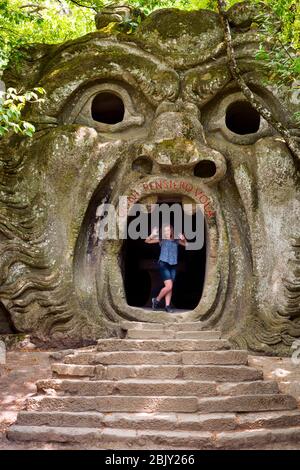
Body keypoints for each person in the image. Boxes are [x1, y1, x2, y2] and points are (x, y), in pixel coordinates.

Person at [145, 224, 187, 313]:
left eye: (168, 230)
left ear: (172, 231)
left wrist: (184, 239)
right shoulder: (161, 240)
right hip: (163, 264)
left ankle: (167, 306)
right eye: (165, 231)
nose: (167, 232)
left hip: (173, 265)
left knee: (169, 287)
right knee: (169, 286)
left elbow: (187, 245)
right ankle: (156, 300)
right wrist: (152, 235)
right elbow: (147, 241)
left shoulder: (176, 240)